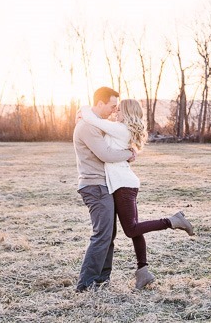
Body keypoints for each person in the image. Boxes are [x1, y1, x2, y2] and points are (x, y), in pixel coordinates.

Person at [79, 98, 194, 290]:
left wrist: (83, 108)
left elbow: (95, 121)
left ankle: (172, 221)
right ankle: (143, 272)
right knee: (135, 229)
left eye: (120, 109)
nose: (116, 112)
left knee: (131, 229)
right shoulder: (120, 128)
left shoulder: (121, 128)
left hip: (123, 185)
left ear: (127, 112)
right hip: (122, 183)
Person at [72, 87, 137, 293]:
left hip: (103, 184)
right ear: (99, 104)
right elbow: (105, 153)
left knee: (109, 234)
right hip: (94, 185)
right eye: (111, 106)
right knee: (102, 234)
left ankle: (102, 278)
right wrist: (128, 154)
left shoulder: (94, 123)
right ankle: (86, 284)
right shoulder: (87, 127)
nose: (113, 111)